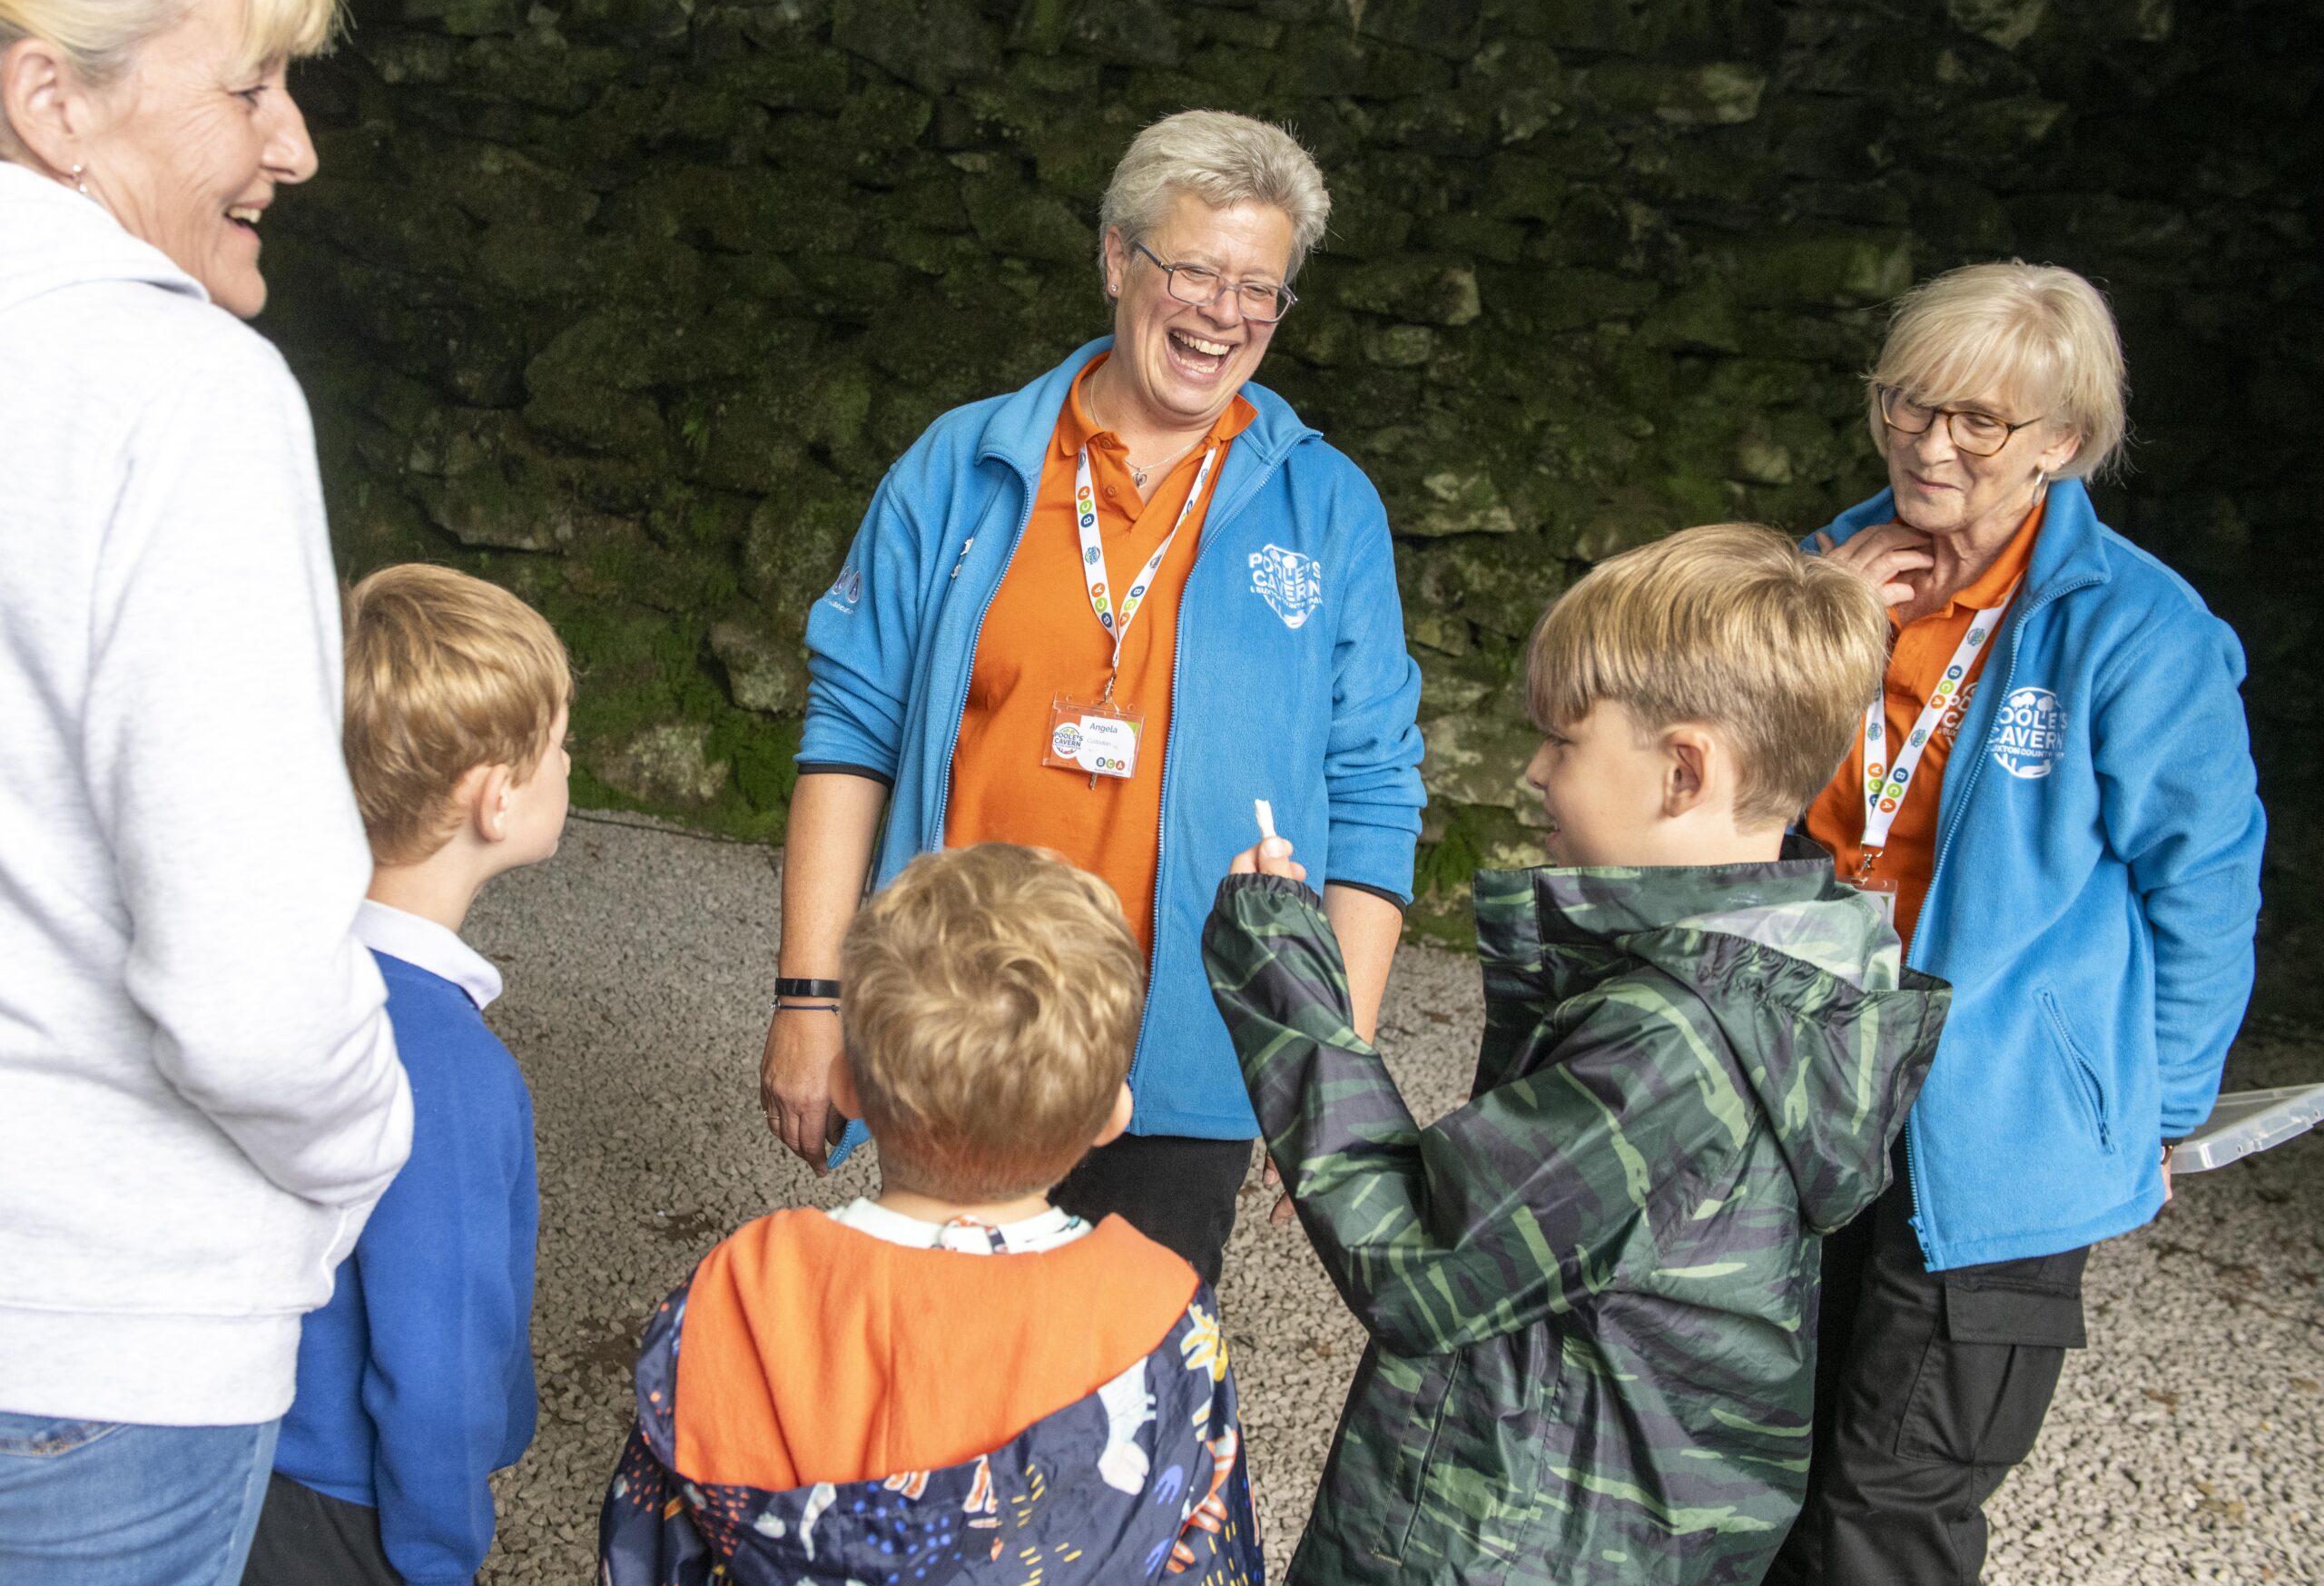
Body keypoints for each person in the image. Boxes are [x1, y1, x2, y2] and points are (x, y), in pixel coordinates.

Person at [1203, 523, 1953, 1586]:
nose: (1534, 769)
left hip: (1512, 1546)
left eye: (1564, 740)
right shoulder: (1781, 976)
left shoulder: (1672, 1038)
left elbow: (1417, 1261)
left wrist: (1280, 972)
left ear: (1683, 769)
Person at [760, 108, 1425, 1286]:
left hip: (1190, 1055)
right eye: (1196, 271)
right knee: (934, 1357)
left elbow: (1373, 790)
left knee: (1124, 1377)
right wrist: (812, 998)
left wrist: (1333, 1068)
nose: (1225, 313)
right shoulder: (960, 465)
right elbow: (850, 732)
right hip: (954, 1020)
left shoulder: (1330, 509)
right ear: (1117, 258)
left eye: (1260, 289)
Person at [0, 0, 412, 1581]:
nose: (293, 145)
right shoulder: (179, 390)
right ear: (55, 101)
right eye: (249, 87)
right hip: (87, 1343)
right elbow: (250, 1001)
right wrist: (369, 1141)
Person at [1766, 262, 2266, 1584]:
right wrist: (1814, 635)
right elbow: (1713, 790)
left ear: (2064, 441)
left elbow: (2204, 884)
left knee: (1889, 1504)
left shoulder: (2141, 630)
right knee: (1750, 1464)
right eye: (1908, 403)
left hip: (1992, 1118)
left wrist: (2160, 1107)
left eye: (1978, 420)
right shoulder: (1823, 569)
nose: (1930, 444)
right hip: (1799, 1075)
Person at [605, 842, 1264, 1584]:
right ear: (1112, 1114)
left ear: (846, 1086)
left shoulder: (743, 1288)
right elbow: (1205, 1551)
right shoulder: (1162, 1311)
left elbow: (652, 1543)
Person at [241, 565, 570, 1586]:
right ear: (496, 797)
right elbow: (439, 1361)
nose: (571, 762)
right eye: (561, 743)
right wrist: (440, 1552)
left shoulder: (273, 971)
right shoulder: (454, 1069)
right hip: (347, 1510)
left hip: (233, 1458)